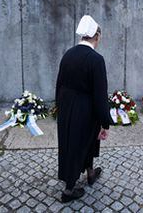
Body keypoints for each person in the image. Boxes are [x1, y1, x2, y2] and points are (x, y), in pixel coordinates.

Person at [55, 15, 113, 203]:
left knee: (75, 143)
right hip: (86, 111)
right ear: (96, 36)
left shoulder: (68, 54)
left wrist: (60, 108)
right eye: (100, 35)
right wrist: (105, 122)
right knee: (78, 145)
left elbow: (59, 84)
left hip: (67, 108)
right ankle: (68, 190)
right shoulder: (96, 60)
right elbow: (100, 94)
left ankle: (89, 173)